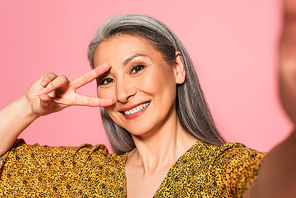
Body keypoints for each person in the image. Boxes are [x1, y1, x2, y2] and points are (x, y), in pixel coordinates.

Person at [0, 1, 296, 197]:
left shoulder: (228, 170)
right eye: (107, 80)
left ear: (177, 68)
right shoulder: (86, 175)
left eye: (137, 68)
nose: (122, 93)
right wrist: (29, 107)